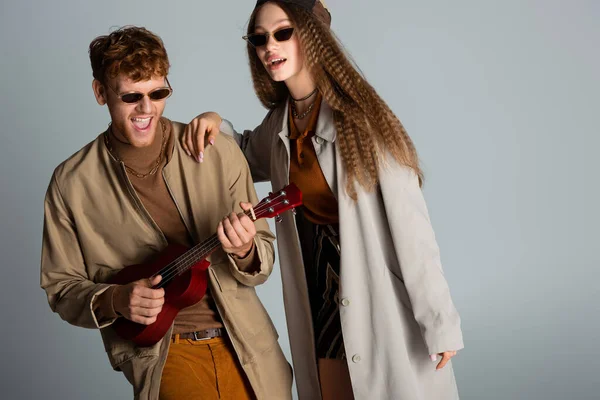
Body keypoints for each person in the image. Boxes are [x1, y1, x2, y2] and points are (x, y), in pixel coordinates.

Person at [182, 1, 464, 399]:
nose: (269, 47)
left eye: (282, 33)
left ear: (310, 36)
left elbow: (413, 230)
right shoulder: (281, 123)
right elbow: (244, 152)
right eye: (259, 38)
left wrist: (439, 322)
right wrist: (214, 121)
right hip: (319, 300)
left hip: (375, 299)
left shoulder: (362, 122)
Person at [40, 26, 292, 400]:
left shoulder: (217, 150)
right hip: (163, 355)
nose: (147, 109)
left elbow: (265, 257)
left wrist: (245, 250)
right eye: (131, 96)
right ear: (100, 93)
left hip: (250, 350)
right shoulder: (71, 183)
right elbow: (60, 287)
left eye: (158, 93)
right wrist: (116, 299)